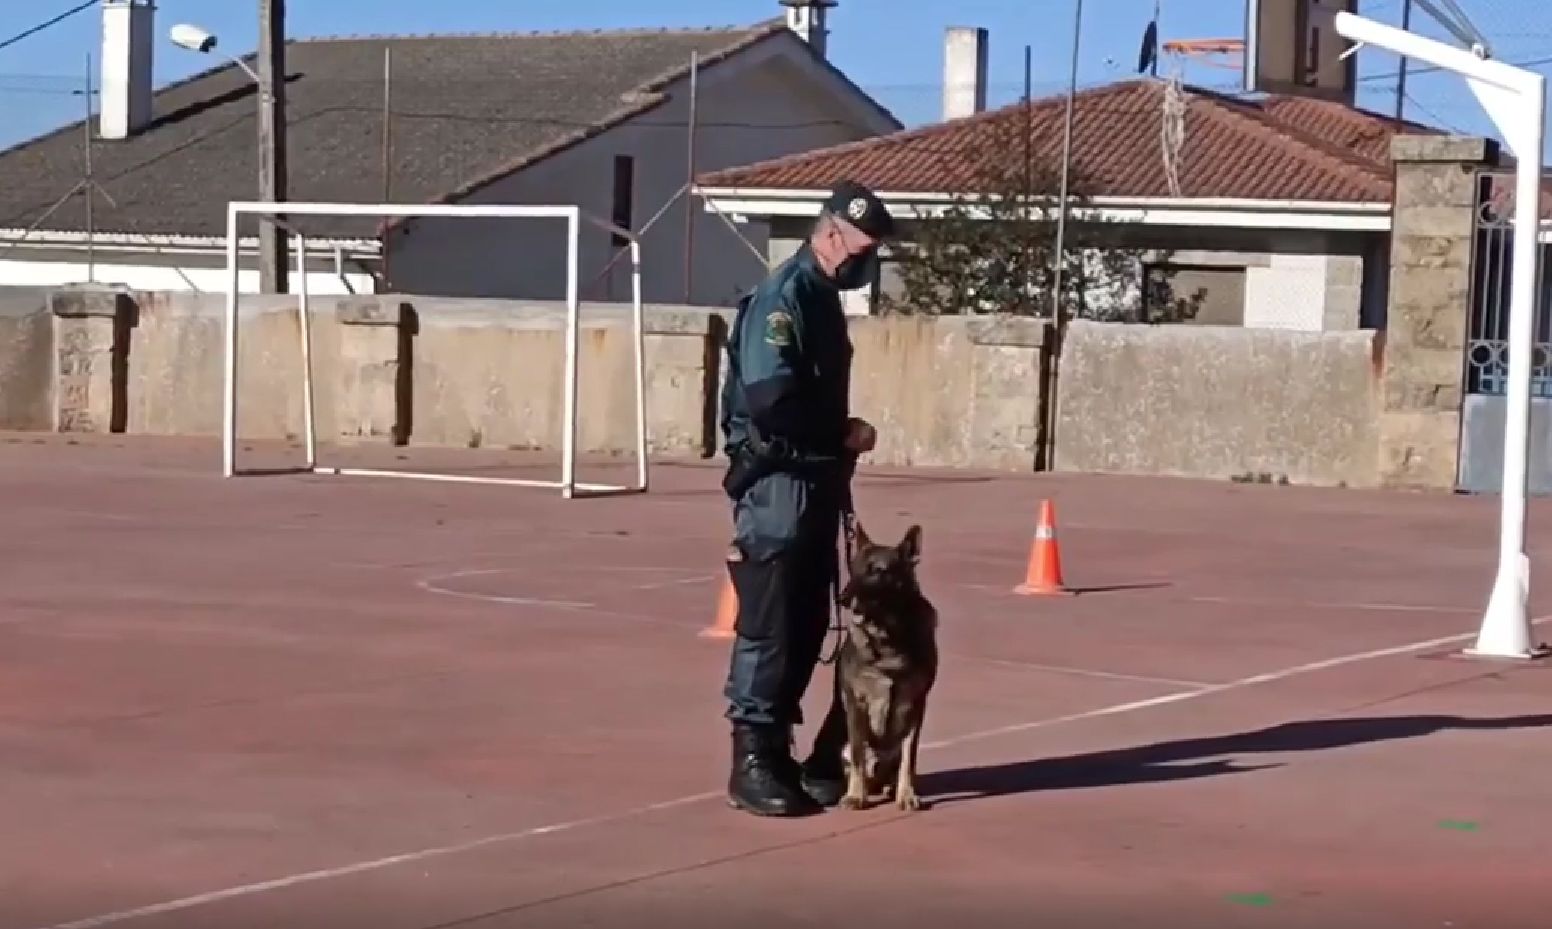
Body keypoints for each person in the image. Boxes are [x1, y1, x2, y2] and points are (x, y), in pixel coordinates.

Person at [717, 179, 896, 817]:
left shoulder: (821, 298)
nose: (867, 261)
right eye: (864, 246)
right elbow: (773, 400)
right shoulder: (783, 298)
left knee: (809, 622)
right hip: (778, 484)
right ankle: (754, 759)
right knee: (771, 624)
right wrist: (840, 433)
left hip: (816, 482)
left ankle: (790, 757)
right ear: (831, 234)